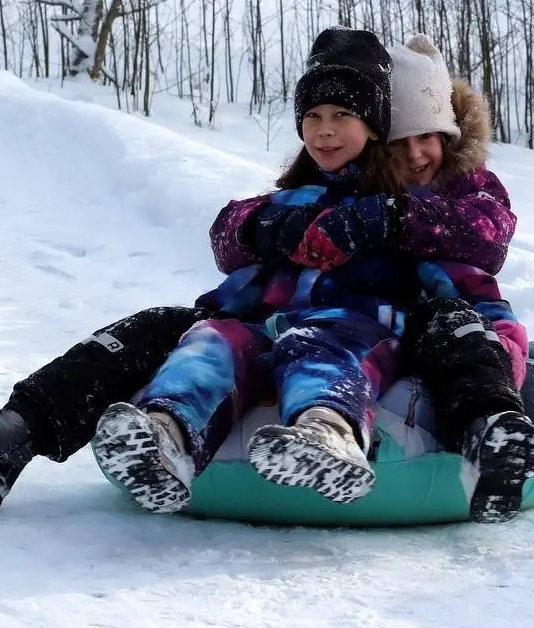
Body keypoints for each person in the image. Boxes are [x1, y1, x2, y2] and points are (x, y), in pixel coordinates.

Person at [210, 33, 534, 522]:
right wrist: (269, 227)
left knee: (460, 335)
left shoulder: (467, 186)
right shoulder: (341, 190)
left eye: (426, 138)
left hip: (449, 317)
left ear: (448, 138)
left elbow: (489, 236)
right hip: (374, 325)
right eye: (397, 144)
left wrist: (394, 216)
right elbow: (241, 226)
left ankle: (492, 437)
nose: (413, 156)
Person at [90, 27, 410, 513]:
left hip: (355, 324)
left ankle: (329, 434)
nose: (324, 130)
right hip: (265, 323)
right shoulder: (285, 198)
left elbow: (457, 254)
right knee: (210, 341)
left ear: (375, 126)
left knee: (316, 347)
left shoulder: (394, 208)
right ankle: (165, 437)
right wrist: (261, 227)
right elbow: (226, 237)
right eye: (312, 116)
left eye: (343, 115)